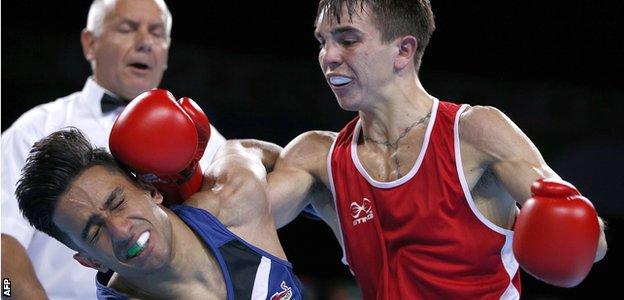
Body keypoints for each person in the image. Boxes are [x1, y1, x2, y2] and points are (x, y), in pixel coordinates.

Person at [265, 0, 608, 299]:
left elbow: (591, 242)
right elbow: (243, 216)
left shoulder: (473, 134)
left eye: (348, 40)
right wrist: (234, 157)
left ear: (403, 50)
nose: (329, 56)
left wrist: (562, 230)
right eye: (322, 41)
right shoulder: (319, 158)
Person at [1, 1, 226, 299]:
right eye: (127, 28)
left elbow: (245, 219)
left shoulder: (202, 136)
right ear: (90, 43)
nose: (145, 42)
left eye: (157, 33)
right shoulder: (33, 130)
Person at [15, 127, 302, 299]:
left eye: (117, 202)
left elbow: (313, 153)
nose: (121, 229)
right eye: (94, 231)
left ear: (150, 189)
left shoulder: (235, 201)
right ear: (89, 261)